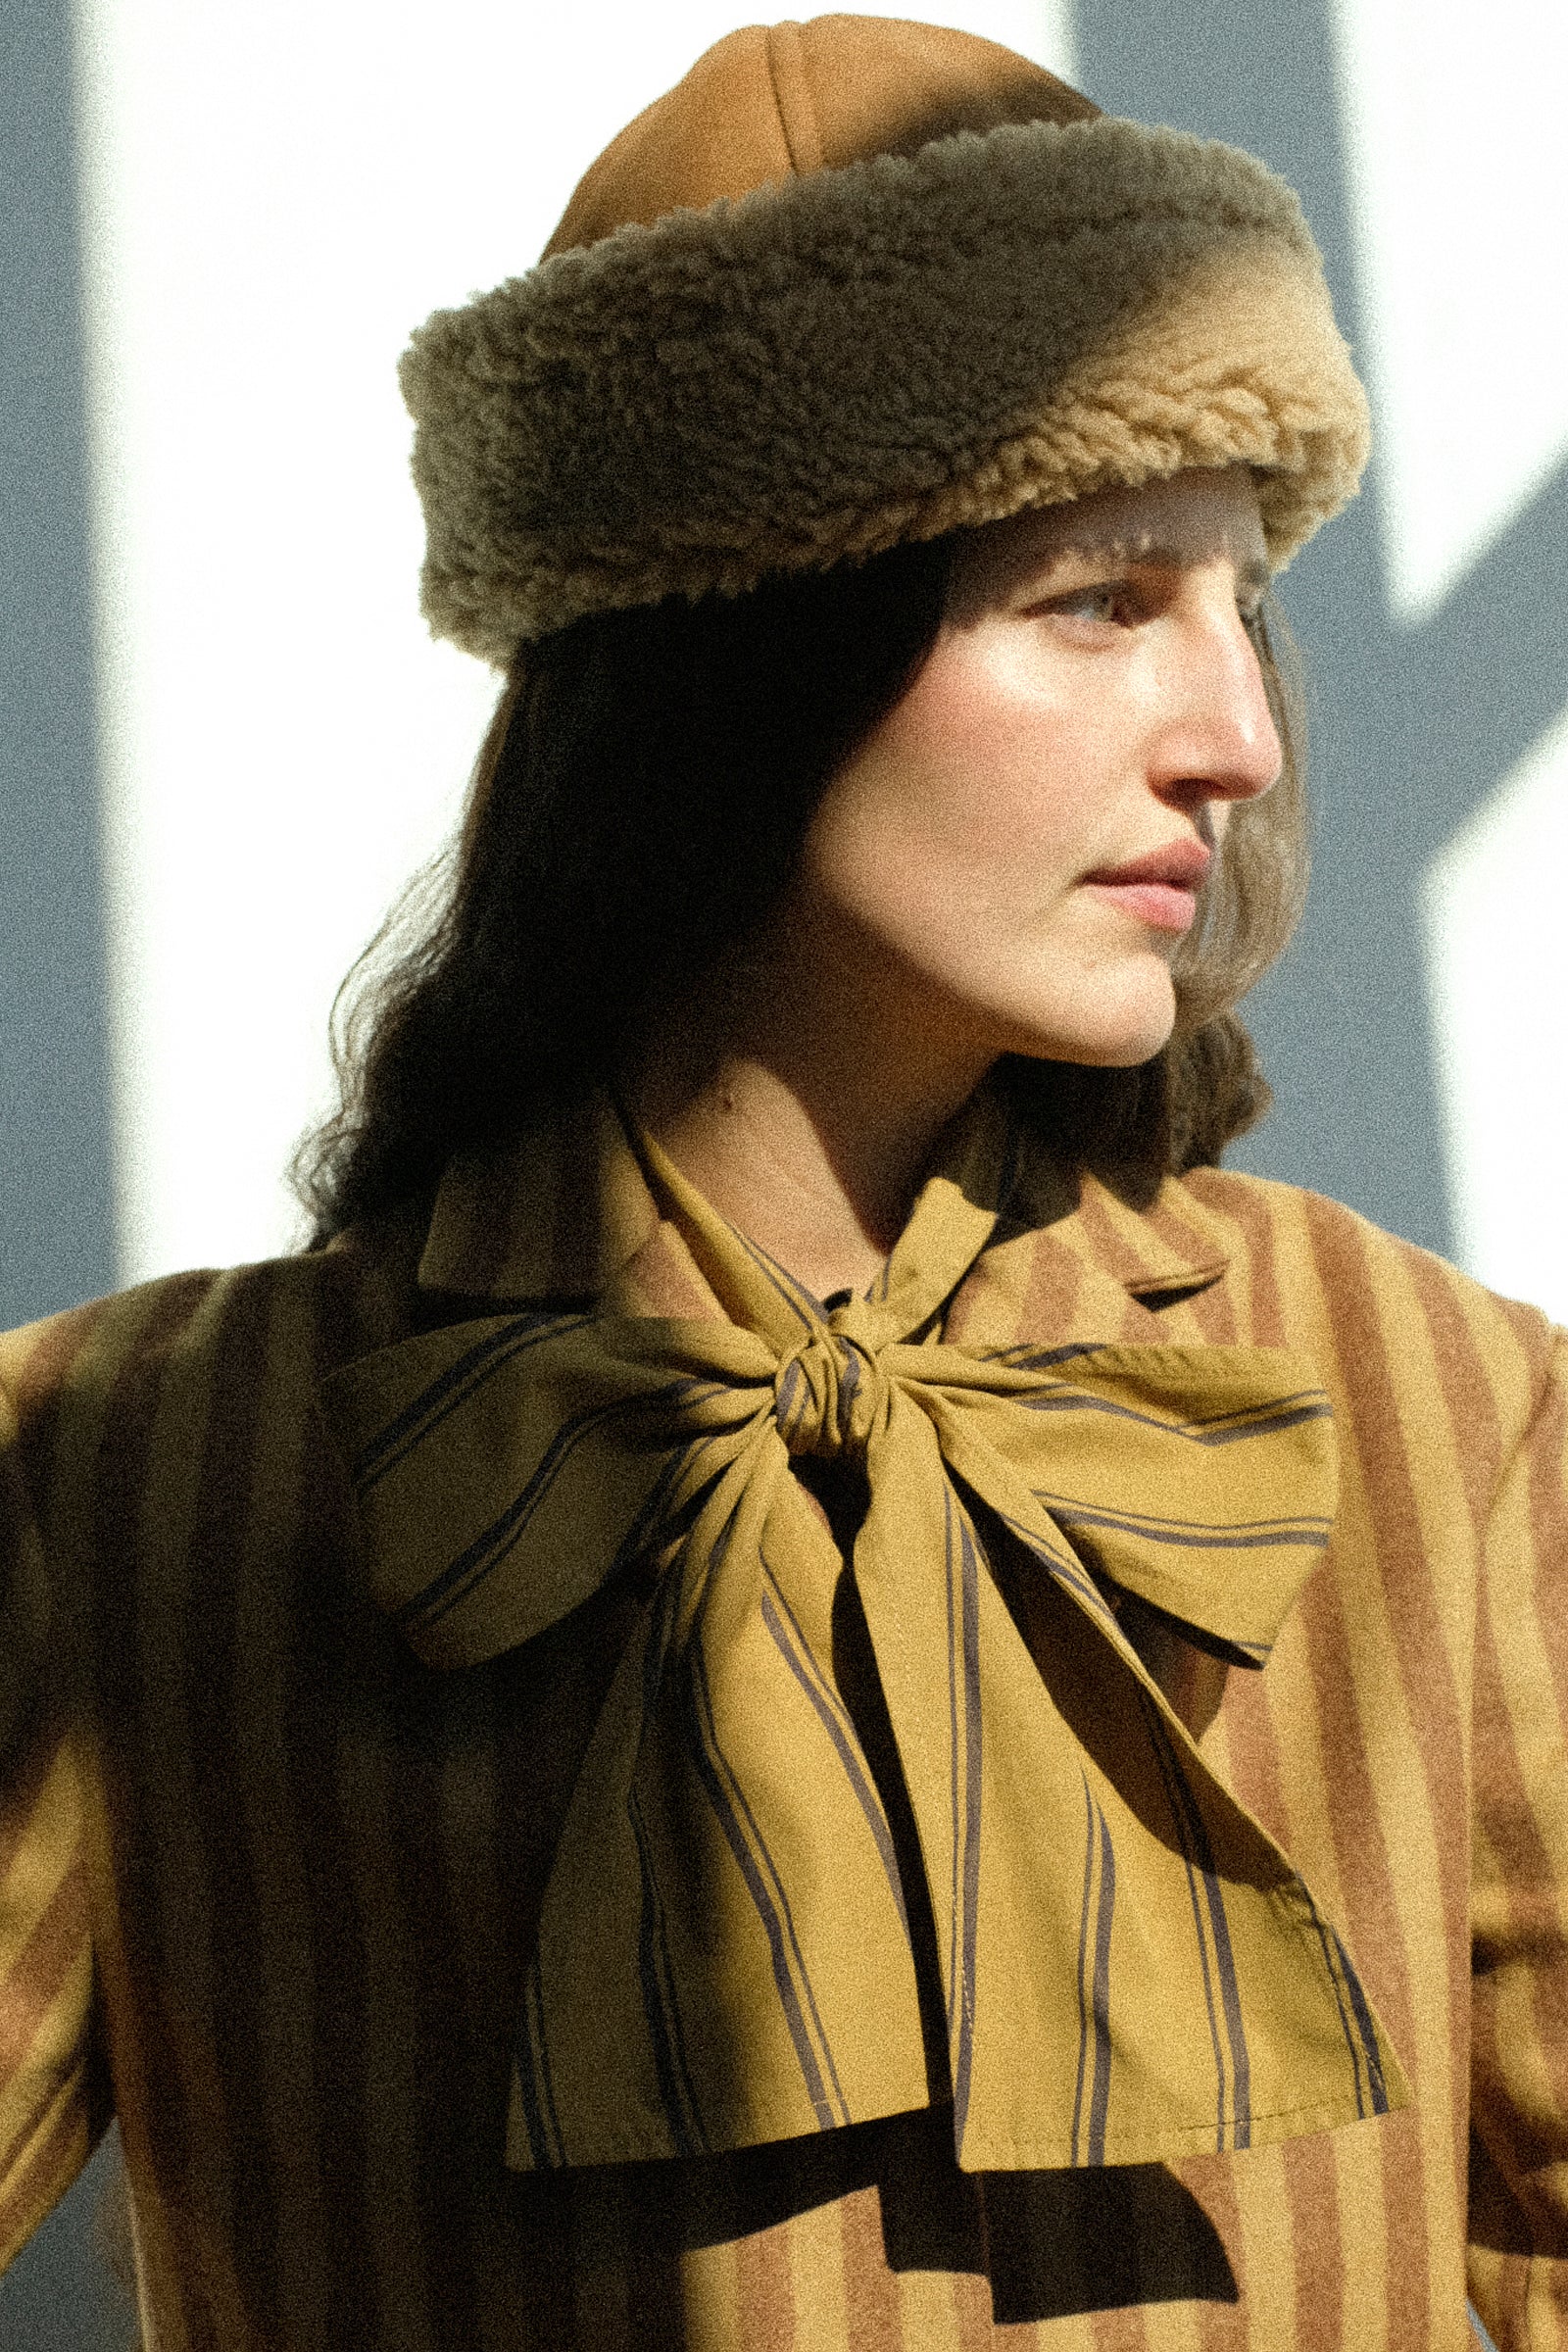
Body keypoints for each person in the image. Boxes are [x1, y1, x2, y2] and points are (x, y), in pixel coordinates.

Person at [1, 16, 1563, 2349]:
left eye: (1244, 601)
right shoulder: (120, 1484)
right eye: (1098, 597)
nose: (1233, 735)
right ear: (738, 639)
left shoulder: (1457, 1425)